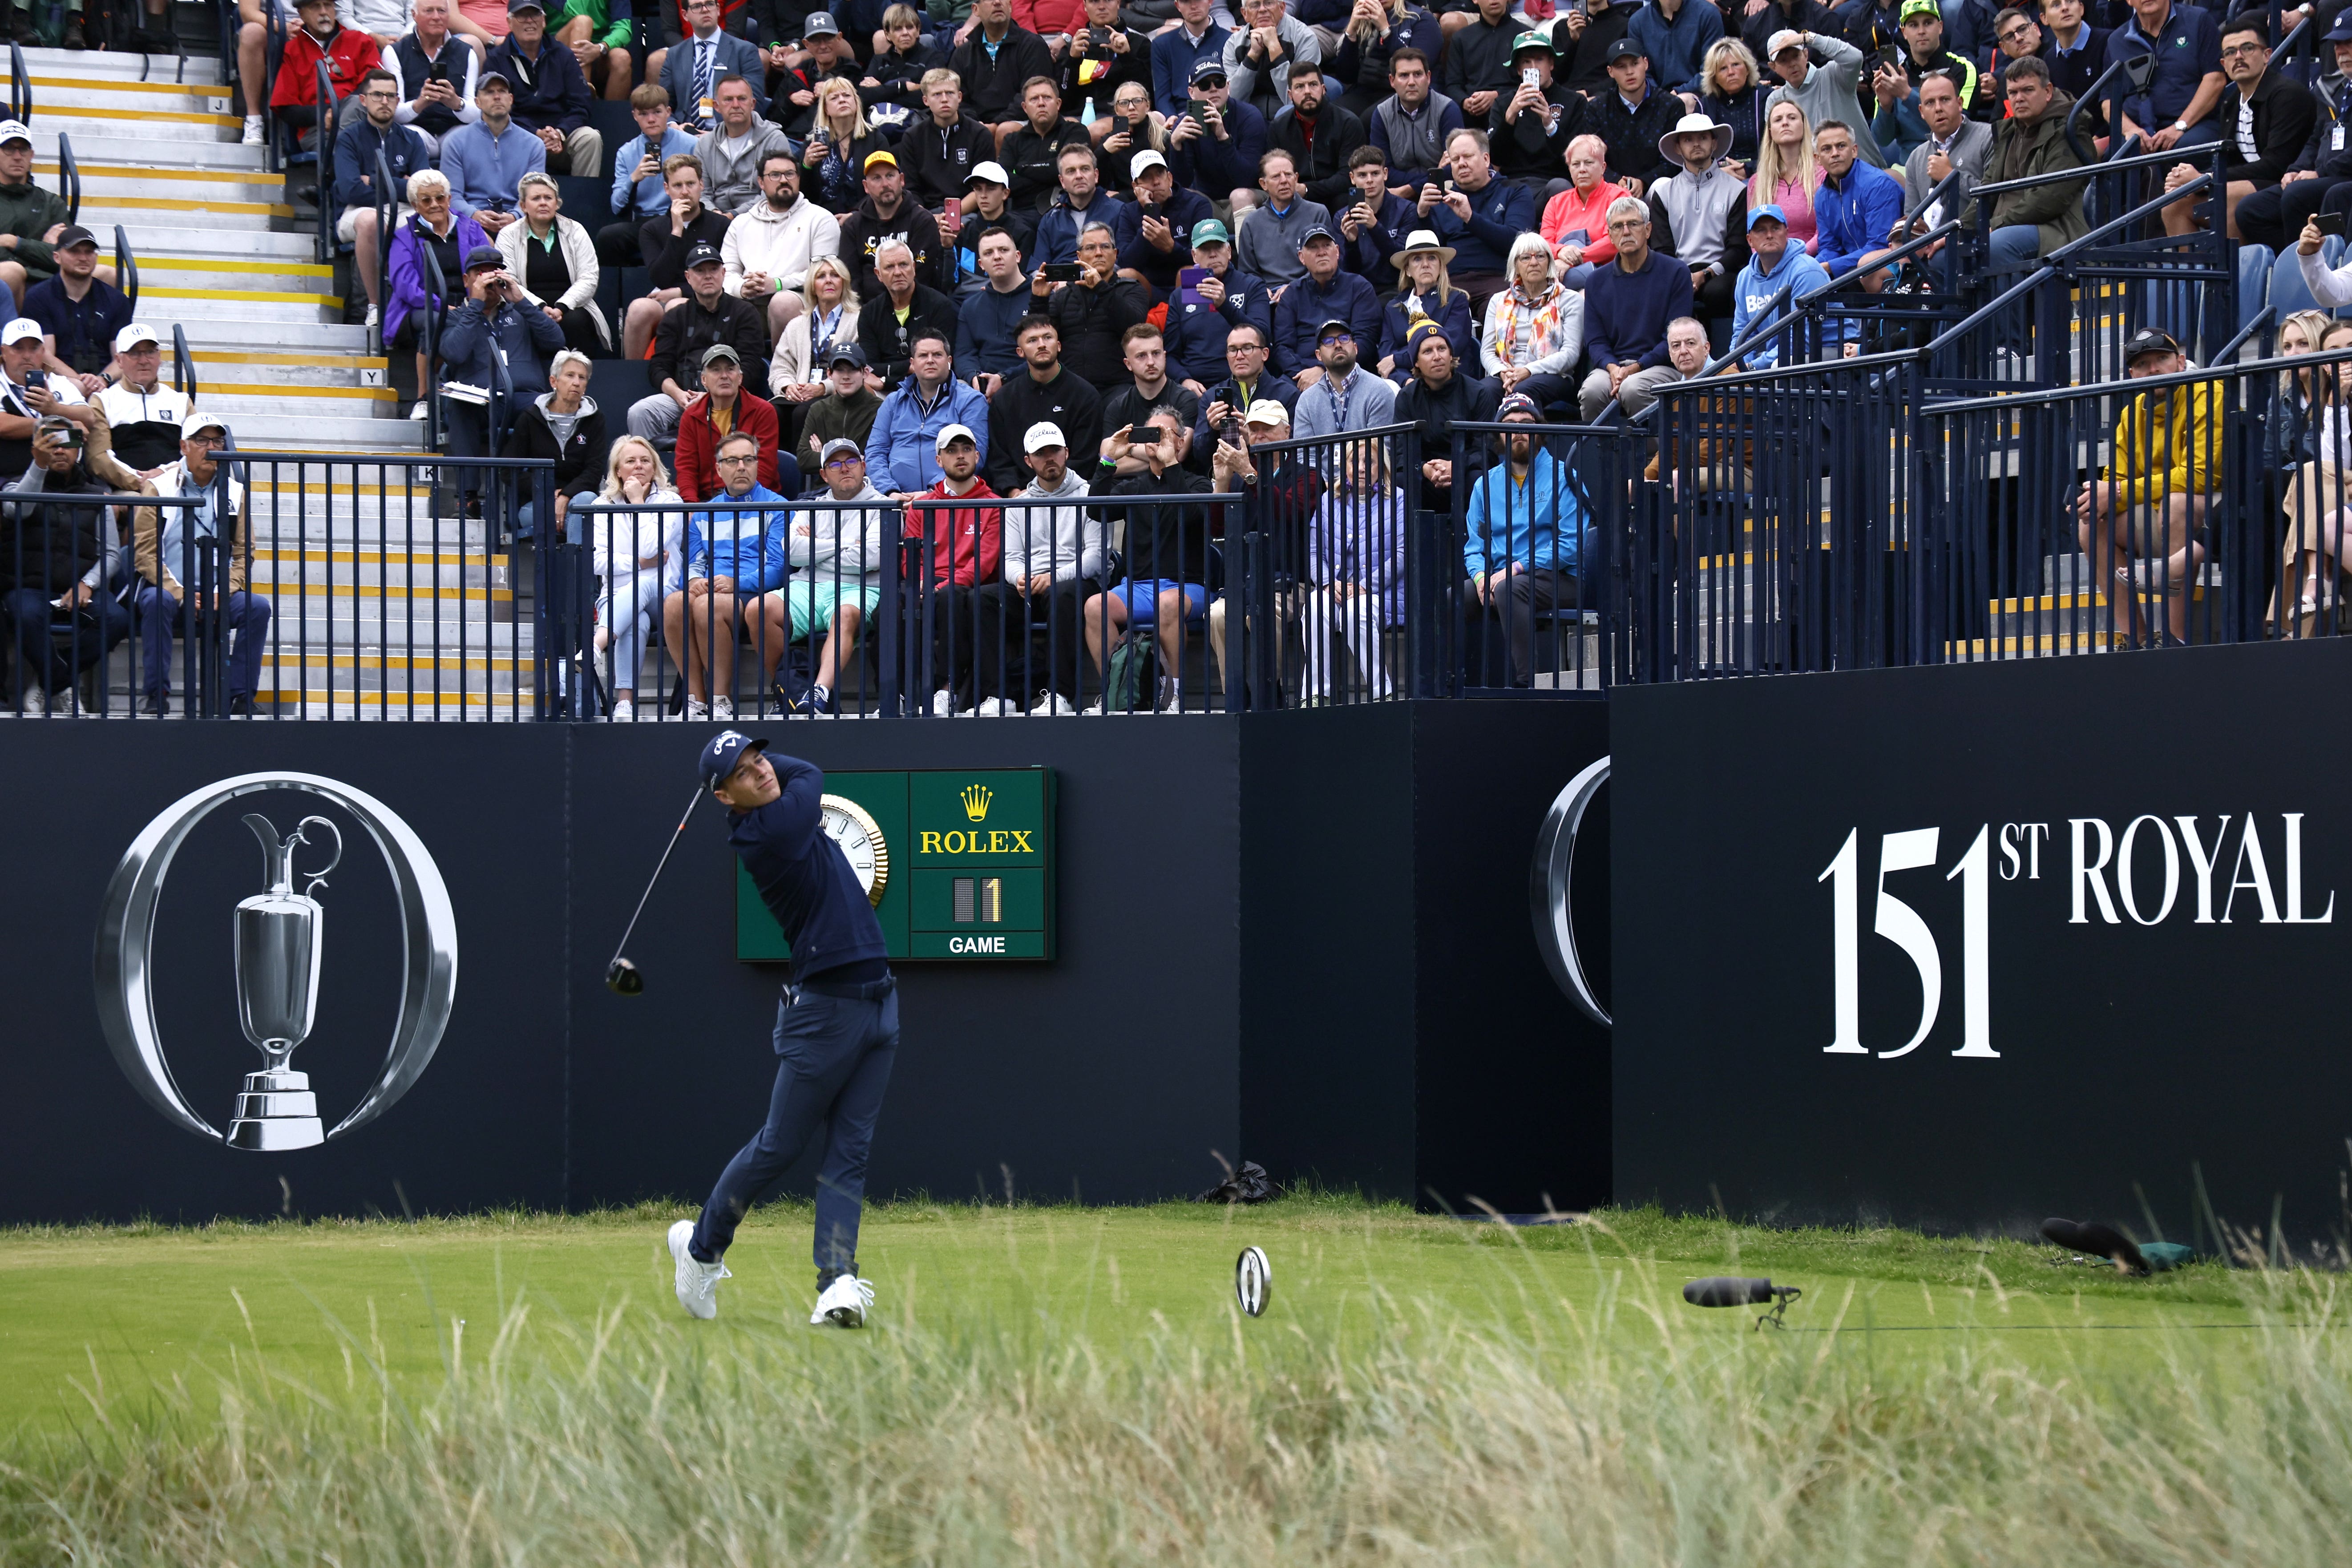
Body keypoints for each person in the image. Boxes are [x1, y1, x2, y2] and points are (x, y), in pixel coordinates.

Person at [667, 728, 901, 1327]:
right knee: (778, 1146)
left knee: (850, 1151)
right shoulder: (770, 832)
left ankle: (836, 1282)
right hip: (824, 1012)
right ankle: (700, 1251)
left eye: (758, 759)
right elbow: (811, 773)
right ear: (724, 799)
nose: (762, 772)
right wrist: (738, 769)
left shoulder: (768, 808)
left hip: (879, 1001)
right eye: (743, 774)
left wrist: (736, 761)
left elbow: (791, 770)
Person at [2071, 326, 2216, 646]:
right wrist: (2097, 500)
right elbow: (2118, 478)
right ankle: (2135, 640)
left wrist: (2120, 493)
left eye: (2162, 359)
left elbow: (2202, 475)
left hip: (2217, 508)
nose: (2153, 370)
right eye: (2142, 365)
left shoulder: (2209, 392)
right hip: (2157, 508)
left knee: (2177, 503)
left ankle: (2175, 638)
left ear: (2180, 362)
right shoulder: (2131, 413)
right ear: (2132, 374)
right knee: (2092, 525)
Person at [129, 412, 267, 717]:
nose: (211, 447)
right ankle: (157, 694)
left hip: (218, 592)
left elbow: (245, 552)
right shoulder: (159, 488)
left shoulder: (235, 492)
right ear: (183, 447)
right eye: (202, 440)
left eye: (218, 440)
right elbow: (145, 553)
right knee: (155, 601)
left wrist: (224, 590)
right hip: (169, 590)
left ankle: (241, 695)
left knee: (257, 607)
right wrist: (180, 593)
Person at [1082, 405, 1214, 709]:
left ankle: (1173, 694)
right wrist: (1108, 459)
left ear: (1181, 442)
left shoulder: (1196, 484)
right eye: (1152, 434)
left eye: (1165, 434)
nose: (1157, 441)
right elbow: (1095, 511)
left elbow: (1193, 516)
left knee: (1169, 603)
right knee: (1095, 606)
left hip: (1187, 587)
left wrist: (1171, 466)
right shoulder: (1134, 486)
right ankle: (1118, 690)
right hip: (1138, 587)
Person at [0, 417, 129, 715]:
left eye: (68, 442)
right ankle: (61, 683)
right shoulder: (15, 486)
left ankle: (49, 682)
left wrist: (89, 583)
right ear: (36, 447)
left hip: (80, 587)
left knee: (117, 619)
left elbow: (112, 555)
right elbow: (17, 511)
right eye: (50, 441)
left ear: (80, 450)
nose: (59, 450)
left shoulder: (98, 497)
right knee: (26, 614)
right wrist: (38, 465)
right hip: (28, 585)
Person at [970, 421, 1101, 712]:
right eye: (1041, 453)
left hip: (1075, 584)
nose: (1049, 457)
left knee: (1063, 593)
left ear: (1067, 453)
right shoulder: (1018, 503)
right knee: (982, 598)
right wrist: (1019, 578)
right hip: (1030, 588)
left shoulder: (1090, 494)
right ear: (1028, 461)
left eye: (1055, 450)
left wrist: (1054, 577)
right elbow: (1012, 557)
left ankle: (1060, 695)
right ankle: (997, 696)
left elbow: (1096, 558)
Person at [750, 436, 888, 713]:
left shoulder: (882, 505)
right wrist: (847, 545)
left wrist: (815, 548)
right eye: (835, 464)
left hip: (859, 588)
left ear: (863, 466)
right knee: (758, 609)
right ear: (824, 474)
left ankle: (819, 694)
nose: (844, 468)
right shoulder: (810, 504)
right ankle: (789, 690)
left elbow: (872, 557)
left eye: (851, 461)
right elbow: (791, 552)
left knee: (845, 614)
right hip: (807, 587)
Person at [664, 432, 791, 718]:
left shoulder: (777, 508)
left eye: (748, 459)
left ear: (758, 464)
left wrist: (737, 584)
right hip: (714, 590)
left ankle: (722, 700)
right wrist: (695, 582)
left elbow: (779, 569)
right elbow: (695, 564)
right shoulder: (703, 515)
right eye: (732, 461)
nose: (742, 467)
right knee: (674, 603)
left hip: (754, 591)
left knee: (707, 605)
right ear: (719, 469)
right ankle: (696, 700)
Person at [1463, 390, 1584, 687]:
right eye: (1510, 423)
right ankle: (1447, 685)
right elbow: (1474, 548)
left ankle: (1527, 684)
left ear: (1540, 429)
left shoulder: (1563, 475)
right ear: (1500, 435)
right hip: (1501, 579)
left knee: (1508, 590)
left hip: (1559, 578)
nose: (1519, 430)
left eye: (1526, 422)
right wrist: (1480, 578)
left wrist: (1515, 569)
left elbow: (1571, 544)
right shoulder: (1485, 485)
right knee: (1454, 597)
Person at [2158, 14, 2311, 242]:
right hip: (2248, 185)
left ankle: (2235, 276)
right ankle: (2194, 279)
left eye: (2247, 48)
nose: (2238, 57)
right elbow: (2231, 161)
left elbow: (2276, 165)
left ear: (2267, 55)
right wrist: (2188, 179)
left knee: (2226, 197)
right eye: (2230, 53)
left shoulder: (2288, 94)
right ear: (2224, 65)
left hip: (2287, 183)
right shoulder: (2231, 103)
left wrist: (2206, 178)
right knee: (2175, 205)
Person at [440, 245, 566, 508]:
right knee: (459, 408)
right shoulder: (457, 317)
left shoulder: (521, 312)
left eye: (494, 273)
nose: (488, 279)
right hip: (480, 401)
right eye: (480, 274)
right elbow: (453, 353)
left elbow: (556, 340)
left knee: (545, 409)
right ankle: (469, 497)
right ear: (467, 280)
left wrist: (521, 301)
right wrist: (475, 305)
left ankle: (542, 494)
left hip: (524, 399)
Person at [630, 242, 774, 445]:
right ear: (688, 277)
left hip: (728, 397)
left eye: (714, 270)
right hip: (682, 396)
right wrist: (678, 394)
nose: (708, 276)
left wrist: (713, 396)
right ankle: (652, 473)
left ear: (724, 273)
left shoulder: (744, 313)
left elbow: (751, 365)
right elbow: (659, 366)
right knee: (640, 412)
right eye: (700, 271)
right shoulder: (675, 317)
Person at [2262, 312, 2352, 633]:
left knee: (2309, 484)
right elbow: (2332, 462)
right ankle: (2316, 585)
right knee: (2305, 483)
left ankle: (2290, 626)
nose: (2294, 353)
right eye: (2287, 346)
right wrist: (2337, 403)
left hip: (2333, 483)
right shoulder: (2290, 396)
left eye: (2303, 344)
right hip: (2326, 481)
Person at [2236, 13, 2352, 252]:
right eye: (2337, 44)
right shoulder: (2338, 90)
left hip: (2342, 175)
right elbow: (2315, 139)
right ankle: (2287, 266)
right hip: (2323, 175)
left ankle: (2312, 271)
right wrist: (2296, 169)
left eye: (2349, 42)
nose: (2341, 50)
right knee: (2250, 210)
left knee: (2300, 195)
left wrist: (2319, 172)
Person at [1301, 435, 1404, 702]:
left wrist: (1364, 586)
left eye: (1368, 462)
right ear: (1344, 466)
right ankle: (1315, 696)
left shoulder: (1399, 500)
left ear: (1381, 467)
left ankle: (1384, 694)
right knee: (1314, 605)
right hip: (1335, 588)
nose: (1360, 468)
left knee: (1355, 611)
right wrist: (1326, 582)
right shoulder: (1327, 501)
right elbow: (1314, 552)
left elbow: (1403, 555)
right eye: (1353, 461)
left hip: (1383, 592)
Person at [909, 422, 1001, 714]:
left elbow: (985, 561)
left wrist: (942, 586)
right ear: (939, 460)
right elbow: (911, 557)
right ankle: (898, 694)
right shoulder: (921, 506)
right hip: (930, 582)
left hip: (967, 585)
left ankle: (947, 688)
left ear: (977, 455)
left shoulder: (994, 505)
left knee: (952, 598)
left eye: (966, 449)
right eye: (951, 451)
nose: (960, 456)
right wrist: (923, 581)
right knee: (890, 606)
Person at [334, 70, 432, 341]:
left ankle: (420, 301)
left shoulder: (412, 139)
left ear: (399, 100)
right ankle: (376, 306)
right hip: (358, 210)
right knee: (371, 222)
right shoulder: (349, 138)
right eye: (377, 95)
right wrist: (399, 184)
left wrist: (374, 179)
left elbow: (424, 191)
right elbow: (350, 189)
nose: (384, 101)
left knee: (427, 223)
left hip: (405, 210)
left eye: (391, 96)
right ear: (364, 100)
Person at [591, 439, 685, 722]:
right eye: (631, 461)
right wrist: (640, 565)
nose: (639, 466)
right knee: (637, 618)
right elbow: (597, 561)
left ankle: (596, 645)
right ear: (618, 470)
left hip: (664, 598)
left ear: (655, 466)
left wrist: (637, 503)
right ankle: (625, 703)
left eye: (645, 460)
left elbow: (649, 546)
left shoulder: (671, 502)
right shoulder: (601, 505)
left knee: (643, 587)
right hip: (617, 598)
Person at [1578, 195, 1693, 418]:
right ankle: (1603, 453)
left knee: (1633, 389)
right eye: (1618, 226)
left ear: (1648, 230)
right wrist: (1613, 368)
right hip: (1613, 367)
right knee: (1592, 391)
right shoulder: (1595, 281)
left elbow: (1674, 339)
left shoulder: (1676, 272)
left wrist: (1637, 368)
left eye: (1633, 224)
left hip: (1662, 366)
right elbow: (1595, 340)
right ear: (1610, 235)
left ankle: (1655, 453)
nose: (1626, 231)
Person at [386, 170, 487, 415]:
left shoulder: (472, 229)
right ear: (414, 206)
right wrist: (442, 306)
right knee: (436, 320)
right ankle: (424, 397)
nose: (435, 205)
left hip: (467, 302)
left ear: (449, 199)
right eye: (426, 200)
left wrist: (472, 301)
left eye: (440, 198)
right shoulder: (404, 237)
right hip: (418, 308)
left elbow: (485, 269)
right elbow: (405, 286)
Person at [723, 150, 841, 343]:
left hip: (801, 299)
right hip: (750, 300)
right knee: (722, 305)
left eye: (790, 174)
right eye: (775, 175)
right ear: (761, 183)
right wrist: (742, 287)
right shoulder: (741, 223)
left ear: (798, 178)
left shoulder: (821, 218)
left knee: (782, 303)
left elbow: (824, 272)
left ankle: (784, 367)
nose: (784, 180)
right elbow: (726, 272)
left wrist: (776, 284)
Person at [625, 154, 733, 358]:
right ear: (667, 189)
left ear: (701, 185)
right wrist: (676, 231)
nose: (685, 192)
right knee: (639, 308)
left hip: (710, 296)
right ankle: (633, 377)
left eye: (691, 184)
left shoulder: (721, 225)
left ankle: (685, 373)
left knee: (677, 306)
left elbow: (727, 275)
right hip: (664, 294)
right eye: (677, 186)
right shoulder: (652, 229)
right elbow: (660, 278)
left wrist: (680, 292)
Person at [1413, 128, 1533, 308]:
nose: (1461, 164)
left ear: (1486, 159)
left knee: (1499, 306)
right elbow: (1432, 253)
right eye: (1455, 160)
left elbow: (1518, 244)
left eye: (1467, 157)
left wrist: (1470, 218)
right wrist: (1423, 215)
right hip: (1452, 282)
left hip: (1498, 278)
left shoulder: (1515, 191)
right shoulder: (1442, 200)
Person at [496, 172, 612, 358]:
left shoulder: (576, 230)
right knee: (522, 320)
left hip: (571, 307)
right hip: (526, 308)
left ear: (557, 204)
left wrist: (562, 307)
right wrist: (540, 308)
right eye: (536, 198)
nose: (543, 202)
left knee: (576, 321)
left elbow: (589, 278)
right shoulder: (508, 235)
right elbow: (508, 280)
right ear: (523, 206)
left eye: (548, 198)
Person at [1646, 111, 1748, 321]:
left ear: (1714, 144)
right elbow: (1662, 249)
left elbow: (1738, 247)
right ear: (1678, 147)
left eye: (1703, 137)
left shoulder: (1736, 190)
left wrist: (1706, 274)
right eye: (1688, 139)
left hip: (1721, 271)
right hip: (1678, 271)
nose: (1696, 144)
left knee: (1718, 291)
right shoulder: (1664, 194)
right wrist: (1683, 277)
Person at [987, 312, 1103, 491]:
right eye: (1032, 340)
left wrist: (1046, 490)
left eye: (1047, 338)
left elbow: (1085, 458)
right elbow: (999, 459)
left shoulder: (1085, 395)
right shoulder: (1004, 399)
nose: (1042, 345)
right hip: (1020, 498)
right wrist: (1013, 491)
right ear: (1020, 352)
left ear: (1058, 346)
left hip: (1071, 494)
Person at [487, 0, 602, 177]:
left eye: (535, 15)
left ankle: (583, 201)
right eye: (522, 16)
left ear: (544, 21)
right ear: (509, 22)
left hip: (560, 137)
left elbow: (581, 104)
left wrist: (561, 132)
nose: (530, 21)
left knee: (590, 138)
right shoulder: (496, 59)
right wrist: (536, 133)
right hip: (519, 137)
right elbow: (498, 111)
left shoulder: (563, 54)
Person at [870, 328, 993, 494]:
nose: (930, 361)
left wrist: (932, 494)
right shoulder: (893, 402)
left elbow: (976, 456)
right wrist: (890, 492)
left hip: (948, 501)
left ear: (949, 360)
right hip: (897, 502)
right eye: (923, 356)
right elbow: (875, 452)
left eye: (937, 355)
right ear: (912, 363)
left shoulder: (971, 401)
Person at [502, 348, 607, 540]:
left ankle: (571, 566)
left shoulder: (595, 420)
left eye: (582, 378)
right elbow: (509, 470)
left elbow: (595, 469)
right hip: (538, 504)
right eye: (570, 375)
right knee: (586, 519)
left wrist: (566, 496)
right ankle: (579, 565)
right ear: (554, 382)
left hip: (580, 498)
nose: (577, 382)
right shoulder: (530, 418)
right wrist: (550, 493)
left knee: (586, 501)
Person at [1394, 321, 1499, 509]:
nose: (1437, 357)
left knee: (1480, 478)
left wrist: (1457, 466)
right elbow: (1401, 452)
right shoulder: (1406, 398)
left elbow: (1487, 450)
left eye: (1442, 348)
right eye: (1428, 351)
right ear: (1416, 362)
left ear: (1451, 355)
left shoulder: (1478, 393)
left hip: (1466, 473)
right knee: (1400, 481)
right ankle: (1410, 538)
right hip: (1427, 476)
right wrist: (1424, 468)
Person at [1867, 0, 1984, 165]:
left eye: (1928, 23)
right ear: (1904, 32)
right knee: (1885, 180)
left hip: (1957, 161)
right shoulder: (1894, 77)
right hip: (1909, 166)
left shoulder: (1963, 69)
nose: (1921, 31)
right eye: (1914, 25)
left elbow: (1959, 128)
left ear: (1941, 27)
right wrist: (1885, 107)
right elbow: (1882, 139)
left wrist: (1907, 95)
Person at [2105, 0, 2223, 157]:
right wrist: (2132, 131)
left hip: (2194, 125)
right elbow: (2108, 103)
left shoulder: (2199, 20)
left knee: (2187, 150)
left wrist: (2180, 126)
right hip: (2139, 131)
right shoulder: (2116, 41)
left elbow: (2215, 80)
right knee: (2117, 157)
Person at [1480, 233, 1584, 411]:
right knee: (1484, 390)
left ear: (1550, 263)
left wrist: (1528, 371)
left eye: (1541, 256)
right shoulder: (1498, 301)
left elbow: (1571, 353)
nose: (1534, 263)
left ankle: (1529, 439)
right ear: (1516, 265)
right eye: (1526, 258)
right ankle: (1490, 440)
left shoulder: (1570, 300)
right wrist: (1502, 372)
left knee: (1523, 389)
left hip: (1553, 376)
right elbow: (1487, 351)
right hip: (1506, 374)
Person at [1041, 222, 1149, 389]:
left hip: (1119, 386)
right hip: (1071, 388)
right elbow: (1041, 337)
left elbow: (1133, 328)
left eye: (1105, 247)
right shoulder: (1063, 296)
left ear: (1115, 254)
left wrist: (1102, 288)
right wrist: (1039, 299)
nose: (1099, 253)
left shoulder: (1131, 289)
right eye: (1091, 248)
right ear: (1079, 256)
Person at [1166, 218, 1272, 388]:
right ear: (1194, 256)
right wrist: (1184, 380)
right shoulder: (1180, 296)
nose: (1213, 254)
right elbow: (1170, 355)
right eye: (1205, 249)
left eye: (1218, 247)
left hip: (1243, 381)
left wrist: (1224, 305)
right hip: (1195, 387)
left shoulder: (1252, 285)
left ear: (1229, 251)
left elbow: (1264, 336)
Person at [675, 342, 788, 500]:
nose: (724, 376)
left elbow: (764, 469)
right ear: (704, 380)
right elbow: (686, 469)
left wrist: (735, 503)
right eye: (716, 370)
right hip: (706, 502)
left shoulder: (763, 411)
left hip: (755, 500)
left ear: (740, 377)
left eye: (730, 369)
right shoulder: (691, 417)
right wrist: (690, 507)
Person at [23, 226, 132, 388]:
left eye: (89, 252)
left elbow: (123, 355)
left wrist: (103, 380)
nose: (83, 258)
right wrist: (80, 382)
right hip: (57, 384)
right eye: (74, 252)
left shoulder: (117, 300)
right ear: (57, 257)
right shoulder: (38, 297)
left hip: (107, 387)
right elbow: (45, 355)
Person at [1729, 202, 1835, 365]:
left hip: (1832, 352)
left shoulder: (1806, 271)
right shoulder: (1745, 278)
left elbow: (1801, 339)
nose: (1769, 235)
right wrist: (1738, 365)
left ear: (1786, 233)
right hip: (1783, 357)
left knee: (1780, 365)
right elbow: (1743, 335)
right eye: (1761, 230)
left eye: (1776, 228)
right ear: (1750, 241)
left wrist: (1753, 367)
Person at [1272, 224, 1380, 385]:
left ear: (1337, 251)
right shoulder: (1292, 294)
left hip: (1350, 371)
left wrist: (1322, 370)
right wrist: (1303, 374)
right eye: (1313, 247)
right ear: (1302, 257)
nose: (1321, 252)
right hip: (1300, 376)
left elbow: (1365, 342)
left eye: (1327, 246)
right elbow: (1282, 347)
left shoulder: (1359, 287)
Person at [440, 70, 544, 239]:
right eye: (489, 92)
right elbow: (453, 195)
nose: (497, 97)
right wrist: (475, 215)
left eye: (502, 91)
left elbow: (535, 193)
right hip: (470, 223)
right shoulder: (455, 142)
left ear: (511, 99)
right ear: (478, 102)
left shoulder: (534, 145)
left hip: (522, 223)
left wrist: (515, 216)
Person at [1764, 28, 1887, 170]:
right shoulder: (1776, 100)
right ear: (1773, 68)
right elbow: (1774, 149)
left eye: (1795, 56)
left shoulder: (1833, 75)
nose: (1792, 64)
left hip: (1867, 173)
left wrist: (1809, 38)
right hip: (1813, 184)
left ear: (1806, 55)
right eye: (1783, 60)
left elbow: (1855, 58)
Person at [840, 151, 952, 301]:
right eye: (877, 178)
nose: (885, 184)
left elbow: (923, 276)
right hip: (868, 311)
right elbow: (851, 281)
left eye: (890, 176)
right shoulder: (853, 226)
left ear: (902, 180)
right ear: (866, 187)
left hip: (916, 306)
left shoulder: (922, 221)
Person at [271, 0, 381, 152]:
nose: (324, 12)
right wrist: (325, 114)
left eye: (328, 5)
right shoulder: (292, 50)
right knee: (355, 149)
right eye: (315, 6)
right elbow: (287, 109)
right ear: (301, 13)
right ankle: (347, 155)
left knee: (361, 101)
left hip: (363, 123)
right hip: (318, 131)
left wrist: (339, 113)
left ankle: (345, 155)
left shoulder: (361, 41)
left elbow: (375, 83)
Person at [1170, 57, 1271, 216]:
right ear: (1191, 93)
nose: (1213, 89)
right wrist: (1177, 147)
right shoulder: (1186, 124)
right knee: (1186, 197)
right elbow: (1179, 184)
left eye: (1219, 82)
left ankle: (1246, 242)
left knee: (1240, 196)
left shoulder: (1249, 116)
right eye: (1205, 85)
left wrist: (1223, 138)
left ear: (1228, 87)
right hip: (1208, 202)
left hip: (1250, 198)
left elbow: (1247, 178)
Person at [856, 238, 960, 390]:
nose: (898, 272)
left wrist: (887, 377)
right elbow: (869, 368)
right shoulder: (869, 313)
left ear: (913, 267)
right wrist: (909, 367)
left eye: (903, 265)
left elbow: (942, 363)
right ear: (878, 274)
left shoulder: (940, 305)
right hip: (884, 391)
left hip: (933, 386)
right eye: (890, 267)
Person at [1811, 120, 1903, 293]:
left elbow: (1881, 246)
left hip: (1888, 269)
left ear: (1854, 151)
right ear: (1817, 158)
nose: (1835, 154)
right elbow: (1830, 247)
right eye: (1827, 149)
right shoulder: (1822, 196)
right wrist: (1813, 267)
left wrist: (1830, 267)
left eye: (1841, 146)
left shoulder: (1878, 185)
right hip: (1852, 269)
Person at [1490, 30, 1581, 200]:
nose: (1533, 68)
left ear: (1551, 64)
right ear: (1518, 70)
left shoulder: (1574, 101)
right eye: (1526, 61)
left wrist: (1550, 124)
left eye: (1539, 59)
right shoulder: (1503, 104)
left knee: (1560, 188)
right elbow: (1495, 158)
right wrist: (1510, 117)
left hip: (1553, 183)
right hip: (1511, 185)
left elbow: (1576, 160)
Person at [1583, 37, 1682, 193]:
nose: (1629, 72)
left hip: (1655, 190)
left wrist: (1644, 182)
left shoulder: (1671, 105)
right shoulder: (1597, 108)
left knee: (1663, 184)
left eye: (1635, 64)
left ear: (1646, 64)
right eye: (1621, 67)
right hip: (1609, 190)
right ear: (1610, 72)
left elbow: (1674, 159)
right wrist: (1616, 181)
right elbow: (1591, 157)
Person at [1897, 69, 1992, 228]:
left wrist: (1951, 177)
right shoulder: (1916, 158)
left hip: (1973, 241)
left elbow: (1996, 200)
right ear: (1921, 112)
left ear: (1960, 103)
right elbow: (1913, 218)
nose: (1938, 108)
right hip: (1928, 246)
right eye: (1930, 103)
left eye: (1945, 100)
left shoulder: (1988, 138)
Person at [1268, 62, 1368, 213]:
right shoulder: (1278, 127)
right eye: (1300, 87)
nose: (1307, 92)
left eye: (1313, 85)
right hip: (1295, 196)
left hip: (1338, 195)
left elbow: (1350, 177)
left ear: (1323, 90)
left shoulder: (1349, 123)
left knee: (1350, 198)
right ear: (1290, 95)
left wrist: (1307, 189)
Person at [96, 323, 194, 477]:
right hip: (126, 493)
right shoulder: (104, 401)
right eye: (135, 353)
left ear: (159, 357)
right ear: (119, 360)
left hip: (175, 489)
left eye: (150, 352)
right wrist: (140, 480)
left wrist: (163, 475)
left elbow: (194, 453)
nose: (144, 360)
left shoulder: (181, 401)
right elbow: (99, 458)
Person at [1112, 150, 1215, 294]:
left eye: (1160, 173)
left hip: (1187, 285)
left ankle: (1193, 315)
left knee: (1190, 272)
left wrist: (1171, 247)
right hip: (1150, 288)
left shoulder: (1197, 205)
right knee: (1124, 275)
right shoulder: (1129, 212)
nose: (1156, 182)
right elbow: (1126, 263)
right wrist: (1151, 214)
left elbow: (1205, 259)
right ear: (1136, 187)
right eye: (1147, 177)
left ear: (1170, 179)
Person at [387, 0, 481, 156]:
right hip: (416, 128)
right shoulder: (395, 52)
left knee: (473, 136)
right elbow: (394, 113)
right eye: (429, 11)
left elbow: (476, 113)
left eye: (442, 11)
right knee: (406, 136)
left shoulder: (466, 53)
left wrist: (456, 103)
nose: (436, 17)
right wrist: (420, 104)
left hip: (454, 129)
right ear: (414, 15)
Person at [656, 0, 767, 132]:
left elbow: (755, 103)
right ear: (685, 15)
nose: (705, 10)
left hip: (730, 134)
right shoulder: (675, 54)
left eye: (709, 4)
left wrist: (717, 136)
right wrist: (673, 125)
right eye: (697, 7)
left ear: (718, 10)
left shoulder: (745, 51)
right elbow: (662, 102)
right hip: (685, 134)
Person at [1376, 227, 1473, 378]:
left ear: (1441, 266)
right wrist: (1405, 382)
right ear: (1407, 270)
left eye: (1432, 258)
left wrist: (1398, 359)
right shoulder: (1393, 307)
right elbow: (1386, 357)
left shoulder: (1457, 300)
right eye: (1417, 259)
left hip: (1449, 380)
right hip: (1407, 383)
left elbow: (1451, 346)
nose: (1426, 264)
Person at [948, 0, 1058, 130]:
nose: (998, 2)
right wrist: (976, 125)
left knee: (1005, 130)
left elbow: (1034, 93)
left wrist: (996, 125)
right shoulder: (963, 53)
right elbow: (956, 97)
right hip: (975, 126)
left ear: (1010, 7)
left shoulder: (1033, 45)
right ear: (975, 10)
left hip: (1023, 122)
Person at [1543, 133, 1634, 286]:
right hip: (1561, 281)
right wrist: (1560, 252)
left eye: (1589, 163)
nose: (1582, 170)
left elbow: (1615, 241)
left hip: (1609, 278)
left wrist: (1573, 260)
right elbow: (1543, 243)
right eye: (1576, 164)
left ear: (1603, 167)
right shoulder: (1556, 202)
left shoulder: (1619, 196)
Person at [695, 75, 795, 216]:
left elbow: (774, 191)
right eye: (728, 100)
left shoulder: (774, 139)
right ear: (717, 106)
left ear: (753, 104)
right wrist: (715, 215)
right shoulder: (704, 144)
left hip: (762, 216)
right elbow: (701, 192)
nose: (736, 105)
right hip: (715, 219)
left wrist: (734, 215)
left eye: (742, 99)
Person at [1364, 47, 1460, 193]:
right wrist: (1434, 174)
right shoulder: (1382, 114)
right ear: (1392, 81)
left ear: (1428, 78)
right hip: (1399, 192)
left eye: (1418, 74)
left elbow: (1456, 166)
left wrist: (1407, 191)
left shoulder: (1447, 109)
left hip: (1441, 192)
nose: (1411, 82)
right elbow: (1382, 171)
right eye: (1404, 75)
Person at [902, 69, 999, 211]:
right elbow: (911, 190)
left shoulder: (980, 134)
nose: (944, 99)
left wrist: (950, 217)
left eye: (950, 93)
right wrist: (927, 220)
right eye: (937, 94)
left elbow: (982, 187)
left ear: (960, 97)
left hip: (968, 213)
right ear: (926, 101)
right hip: (927, 215)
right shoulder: (912, 137)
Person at [1290, 314, 1397, 442]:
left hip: (1366, 462)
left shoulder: (1379, 391)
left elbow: (1382, 450)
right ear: (1319, 355)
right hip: (1322, 464)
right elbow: (1305, 457)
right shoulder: (1307, 401)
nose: (1338, 345)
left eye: (1344, 338)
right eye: (1329, 341)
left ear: (1356, 348)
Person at [1330, 0, 1444, 120]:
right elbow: (1346, 76)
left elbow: (1414, 68)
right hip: (1366, 89)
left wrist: (1385, 30)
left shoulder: (1422, 19)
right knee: (1333, 115)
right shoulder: (1364, 21)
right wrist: (1351, 33)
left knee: (1370, 118)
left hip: (1405, 93)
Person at [1233, 149, 1331, 286]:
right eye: (1276, 177)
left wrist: (1293, 288)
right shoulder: (1251, 222)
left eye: (1288, 174)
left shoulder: (1318, 213)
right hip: (1266, 296)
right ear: (1263, 184)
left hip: (1307, 291)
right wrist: (1260, 291)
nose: (1284, 181)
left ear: (1296, 178)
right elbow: (1248, 272)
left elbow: (1324, 264)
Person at [956, 225, 1036, 384]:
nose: (997, 257)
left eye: (1004, 250)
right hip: (983, 385)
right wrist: (974, 378)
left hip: (1028, 381)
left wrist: (1004, 378)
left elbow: (1046, 354)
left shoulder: (1040, 298)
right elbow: (964, 354)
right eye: (988, 253)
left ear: (1018, 256)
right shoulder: (971, 306)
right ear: (981, 265)